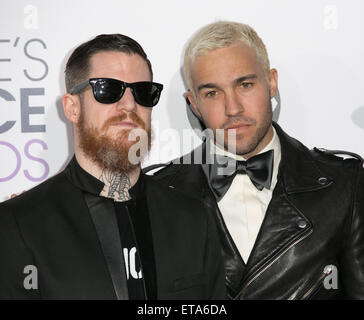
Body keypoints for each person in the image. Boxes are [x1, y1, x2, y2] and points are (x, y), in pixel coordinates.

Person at [148, 21, 364, 299]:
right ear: (194, 103)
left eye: (245, 84)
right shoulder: (158, 194)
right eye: (212, 93)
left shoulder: (344, 185)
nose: (233, 108)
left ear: (271, 83)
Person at [0, 34, 225, 300]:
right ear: (72, 108)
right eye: (107, 89)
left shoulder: (193, 217)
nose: (130, 105)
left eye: (142, 92)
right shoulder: (18, 225)